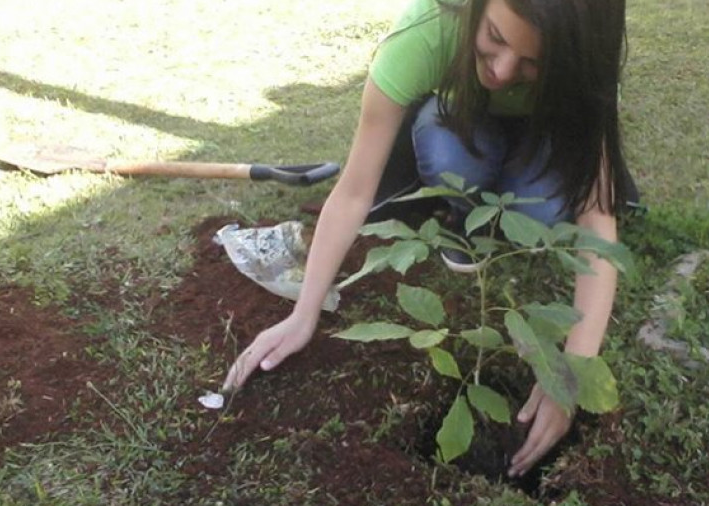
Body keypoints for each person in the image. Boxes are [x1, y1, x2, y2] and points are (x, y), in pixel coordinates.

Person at [223, 0, 628, 478]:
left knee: (539, 212)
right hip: (460, 129)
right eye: (495, 38)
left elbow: (596, 219)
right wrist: (303, 313)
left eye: (531, 63)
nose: (500, 71)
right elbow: (354, 191)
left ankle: (501, 210)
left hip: (542, 141)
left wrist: (574, 371)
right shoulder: (426, 33)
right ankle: (467, 214)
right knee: (445, 146)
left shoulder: (582, 66)